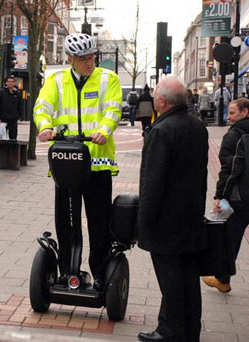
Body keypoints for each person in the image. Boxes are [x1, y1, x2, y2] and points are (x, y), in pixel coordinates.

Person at [33, 33, 122, 289]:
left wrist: (104, 131)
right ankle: (68, 271)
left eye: (92, 57)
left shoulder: (108, 79)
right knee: (66, 220)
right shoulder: (56, 80)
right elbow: (42, 107)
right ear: (70, 58)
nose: (89, 62)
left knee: (99, 221)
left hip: (97, 162)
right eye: (83, 58)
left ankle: (100, 272)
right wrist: (45, 126)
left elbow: (113, 109)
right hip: (66, 161)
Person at [137, 77, 208, 342]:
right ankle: (190, 331)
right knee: (189, 276)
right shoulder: (198, 126)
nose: (154, 97)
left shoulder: (162, 131)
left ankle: (170, 331)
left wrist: (143, 223)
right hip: (191, 216)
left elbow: (152, 182)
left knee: (170, 279)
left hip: (166, 220)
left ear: (162, 101)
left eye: (155, 94)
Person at [202, 98, 249, 293]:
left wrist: (219, 196)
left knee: (230, 237)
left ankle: (222, 278)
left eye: (232, 113)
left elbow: (230, 169)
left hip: (240, 196)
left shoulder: (235, 135)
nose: (228, 117)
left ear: (245, 112)